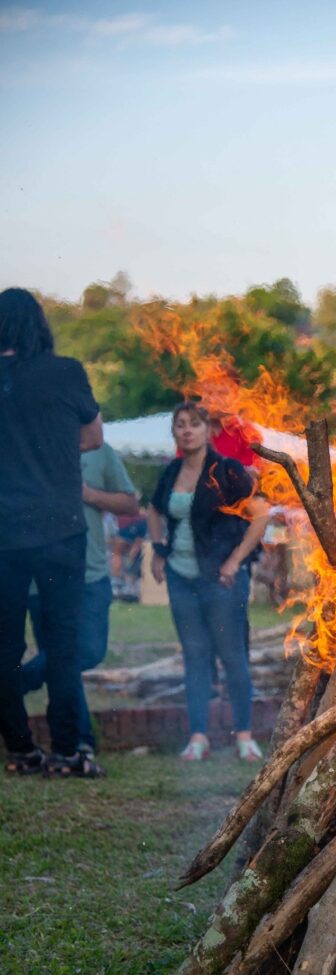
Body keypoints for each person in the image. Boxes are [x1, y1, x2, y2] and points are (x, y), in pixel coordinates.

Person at [0, 287, 105, 778]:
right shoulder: (66, 372)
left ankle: (20, 750)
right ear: (39, 325)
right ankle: (69, 752)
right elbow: (93, 436)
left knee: (3, 647)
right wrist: (54, 456)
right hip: (62, 529)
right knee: (62, 642)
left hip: (4, 533)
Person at [148, 402, 268, 761]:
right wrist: (158, 549)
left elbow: (261, 515)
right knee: (196, 656)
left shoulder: (227, 471)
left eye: (194, 424)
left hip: (221, 578)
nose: (187, 430)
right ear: (174, 433)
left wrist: (234, 560)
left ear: (207, 431)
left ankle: (244, 736)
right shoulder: (171, 472)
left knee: (233, 656)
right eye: (180, 425)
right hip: (181, 577)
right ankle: (198, 736)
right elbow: (155, 510)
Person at [22, 443, 139, 759]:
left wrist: (90, 495)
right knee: (65, 666)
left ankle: (14, 684)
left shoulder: (97, 449)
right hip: (38, 579)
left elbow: (130, 503)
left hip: (91, 574)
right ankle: (80, 742)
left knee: (85, 651)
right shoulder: (23, 445)